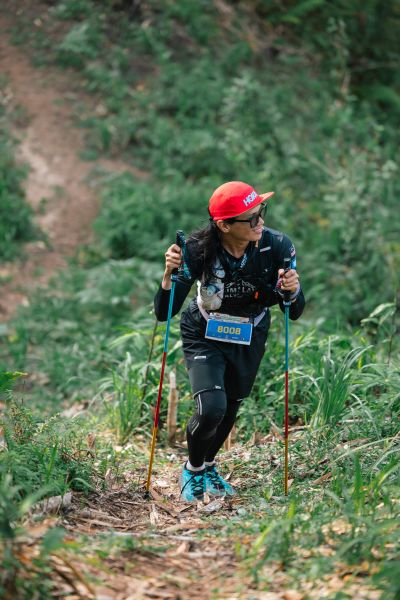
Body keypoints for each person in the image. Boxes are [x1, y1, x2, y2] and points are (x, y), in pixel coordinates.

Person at [154, 181, 305, 502]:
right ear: (224, 225)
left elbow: (294, 312)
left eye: (261, 212)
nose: (260, 221)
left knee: (231, 405)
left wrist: (292, 290)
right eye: (252, 218)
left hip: (250, 331)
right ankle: (193, 470)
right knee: (212, 407)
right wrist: (169, 275)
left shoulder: (277, 246)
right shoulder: (196, 249)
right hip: (204, 331)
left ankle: (209, 466)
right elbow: (164, 312)